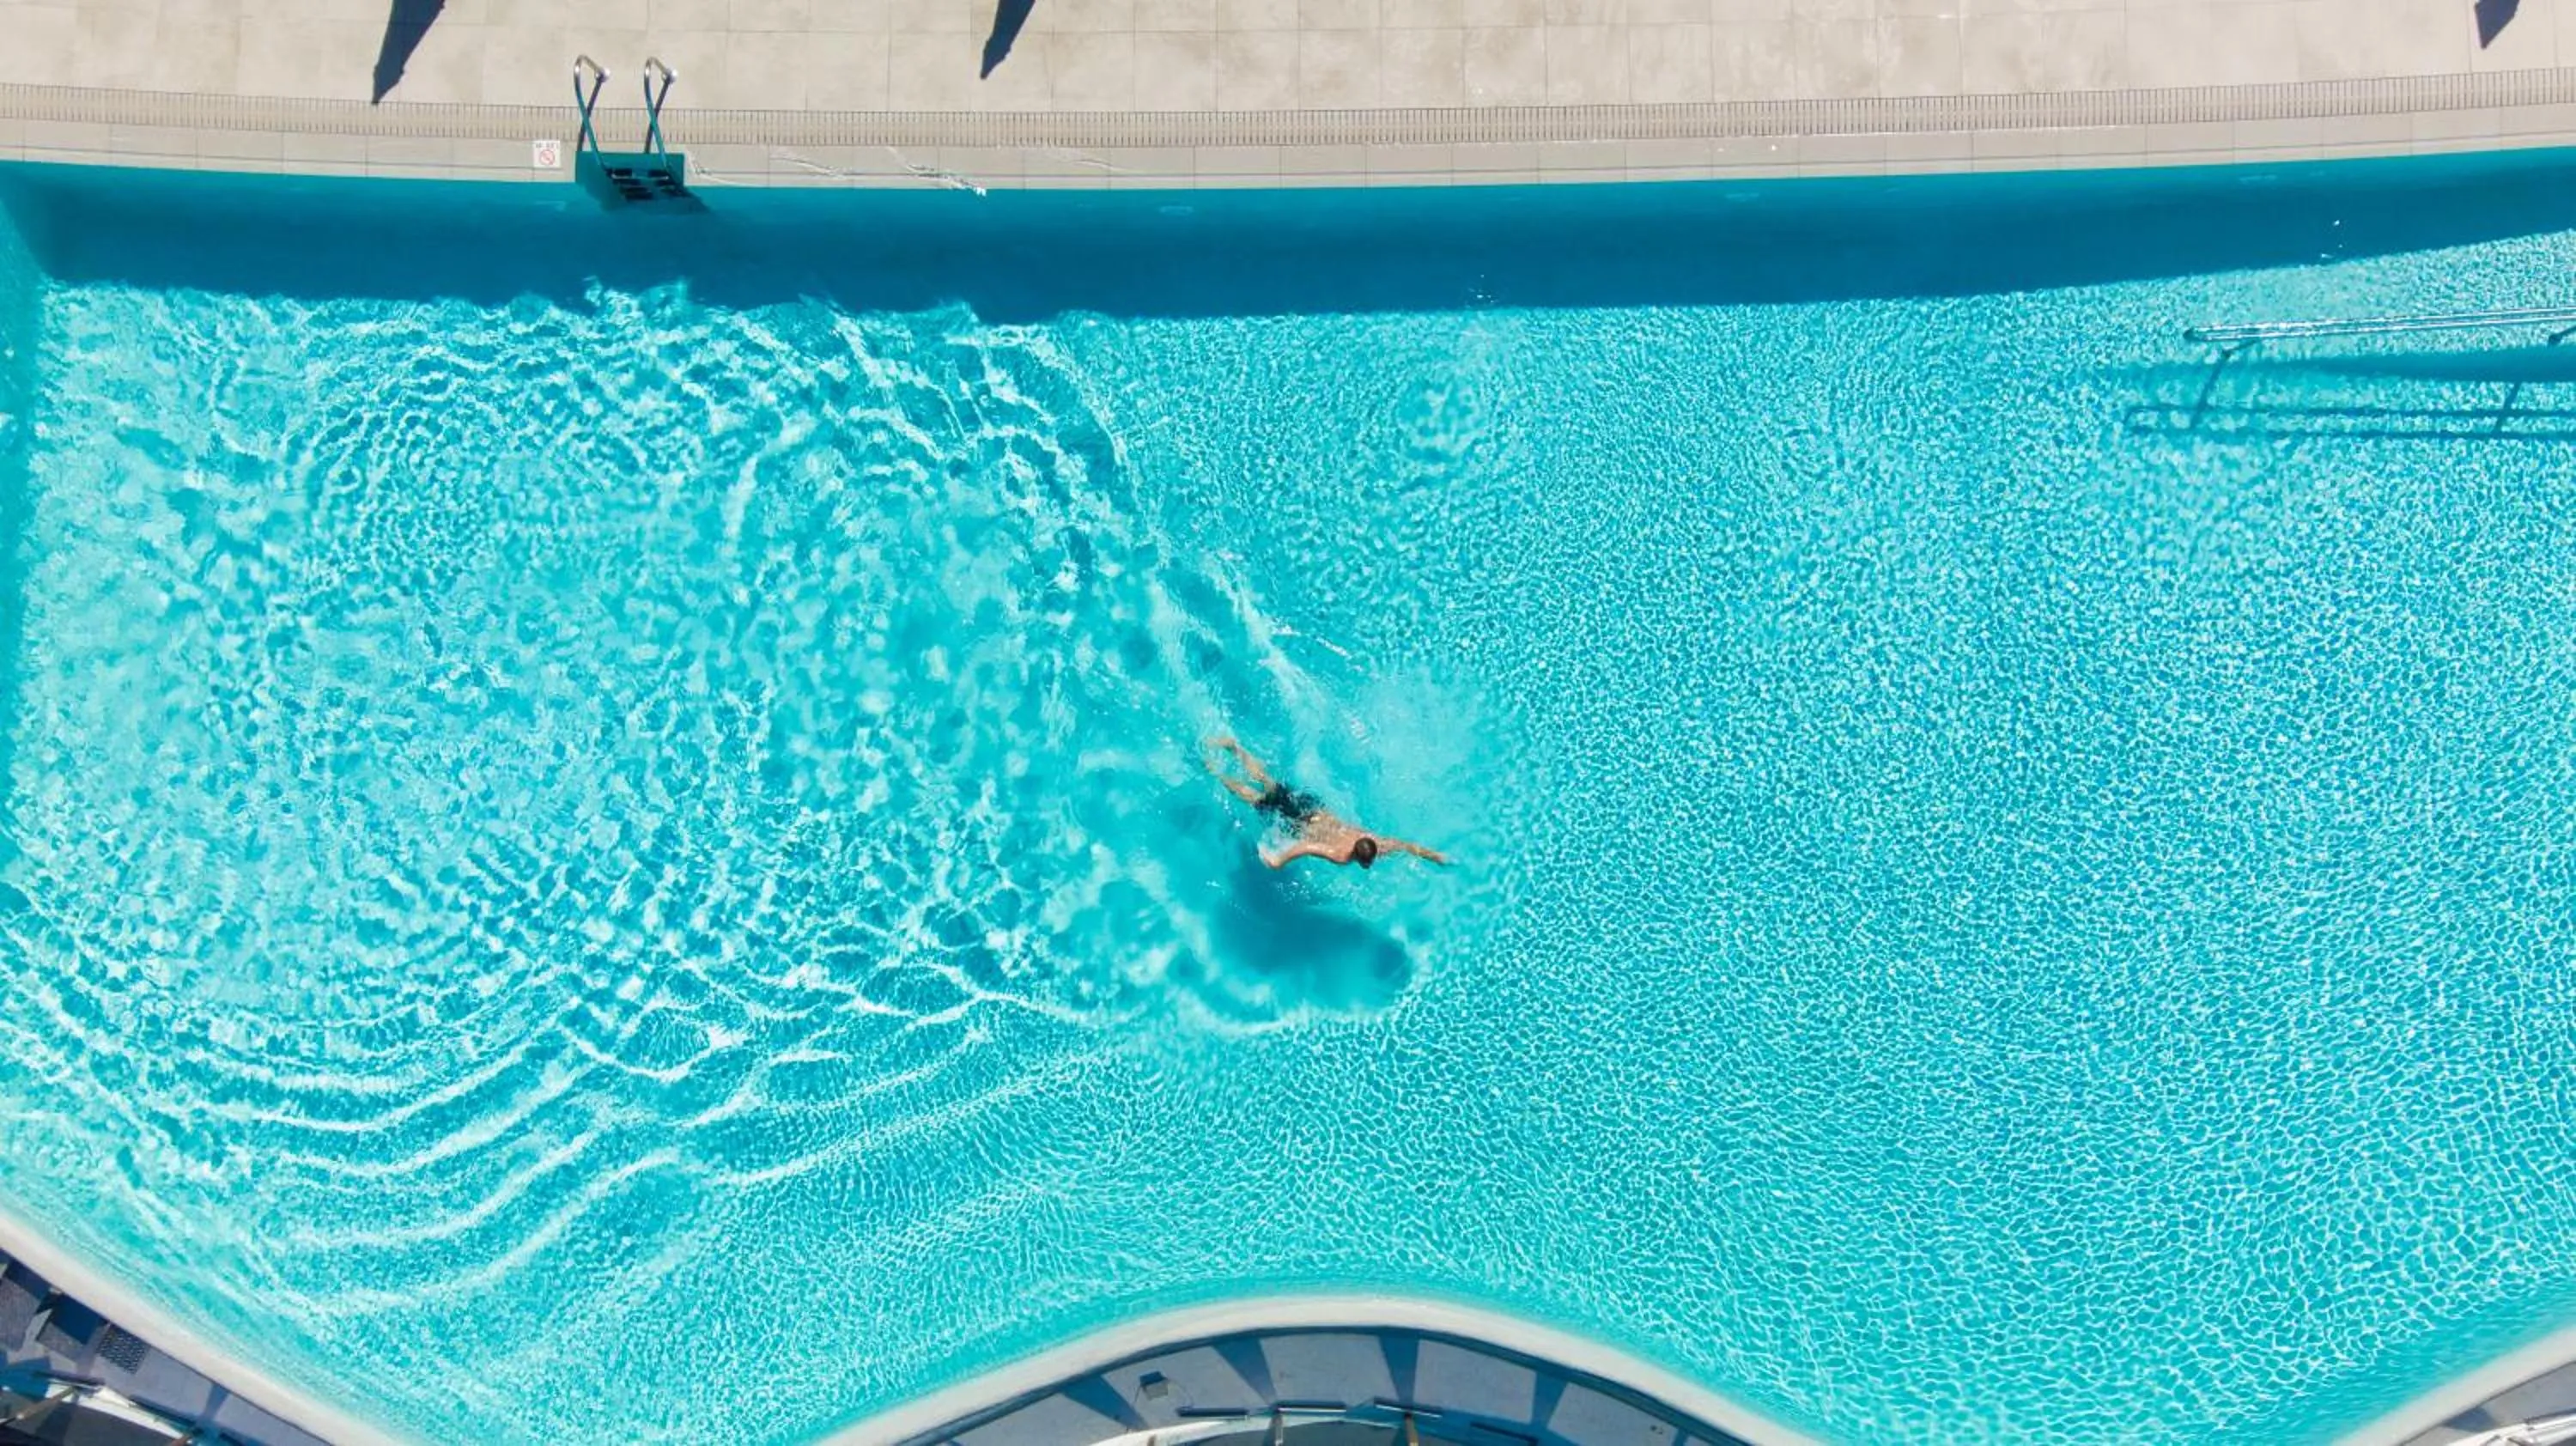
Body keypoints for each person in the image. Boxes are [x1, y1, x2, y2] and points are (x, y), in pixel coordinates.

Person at [1205, 736, 1450, 870]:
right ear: (1357, 853)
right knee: (1255, 798)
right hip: (1300, 819)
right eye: (1365, 862)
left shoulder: (1374, 843)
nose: (1368, 864)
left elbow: (1405, 846)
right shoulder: (1340, 854)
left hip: (1313, 808)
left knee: (1270, 783)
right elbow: (1306, 847)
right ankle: (1216, 772)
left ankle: (1235, 748)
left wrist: (1434, 855)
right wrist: (1278, 860)